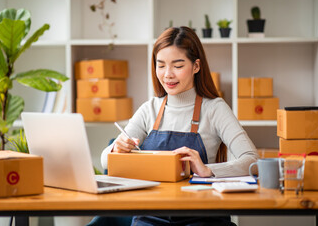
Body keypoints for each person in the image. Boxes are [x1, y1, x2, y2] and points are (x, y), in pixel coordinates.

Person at [101, 26, 259, 226]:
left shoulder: (214, 109)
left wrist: (208, 171)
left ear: (196, 66)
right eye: (161, 65)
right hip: (150, 218)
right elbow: (105, 161)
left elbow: (253, 161)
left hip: (202, 218)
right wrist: (117, 148)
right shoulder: (149, 109)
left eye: (177, 65)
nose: (168, 74)